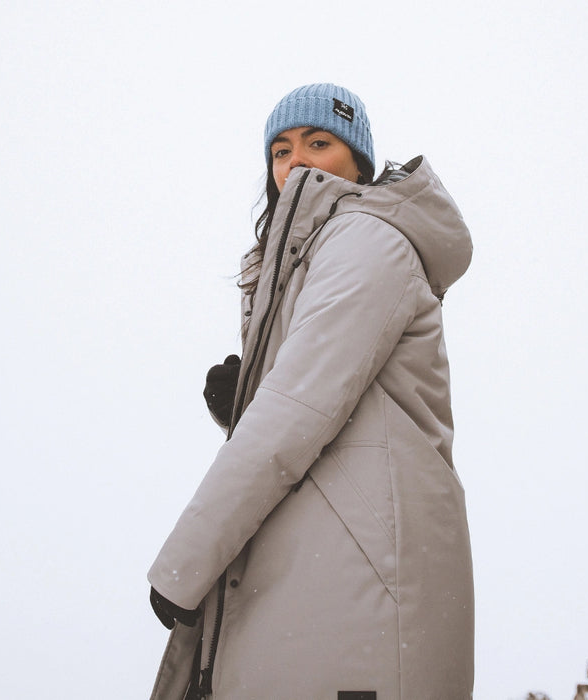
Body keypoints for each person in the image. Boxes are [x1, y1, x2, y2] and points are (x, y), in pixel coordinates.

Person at [148, 83, 474, 700]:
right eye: (280, 149)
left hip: (361, 573)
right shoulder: (304, 258)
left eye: (318, 143)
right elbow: (316, 404)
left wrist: (184, 564)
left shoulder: (366, 240)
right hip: (324, 563)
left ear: (358, 162)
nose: (294, 160)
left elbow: (297, 408)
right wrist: (242, 405)